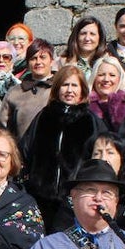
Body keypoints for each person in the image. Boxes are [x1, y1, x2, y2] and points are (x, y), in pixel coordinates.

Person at [20, 65, 105, 229]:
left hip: (73, 197)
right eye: (65, 85)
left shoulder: (90, 120)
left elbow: (98, 157)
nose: (69, 90)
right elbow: (26, 149)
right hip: (40, 195)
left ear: (82, 90)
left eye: (74, 85)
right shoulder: (45, 116)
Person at [0, 38, 54, 139]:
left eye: (43, 57)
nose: (38, 62)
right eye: (33, 58)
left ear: (52, 61)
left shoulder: (60, 89)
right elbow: (2, 128)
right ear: (28, 64)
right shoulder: (15, 92)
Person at [87, 54, 125, 130]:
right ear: (94, 78)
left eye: (112, 75)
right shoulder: (85, 105)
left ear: (120, 78)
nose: (106, 79)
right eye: (101, 75)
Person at [62, 16, 106, 80]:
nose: (87, 38)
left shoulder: (107, 62)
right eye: (83, 33)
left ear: (100, 37)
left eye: (92, 34)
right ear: (76, 36)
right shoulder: (62, 62)